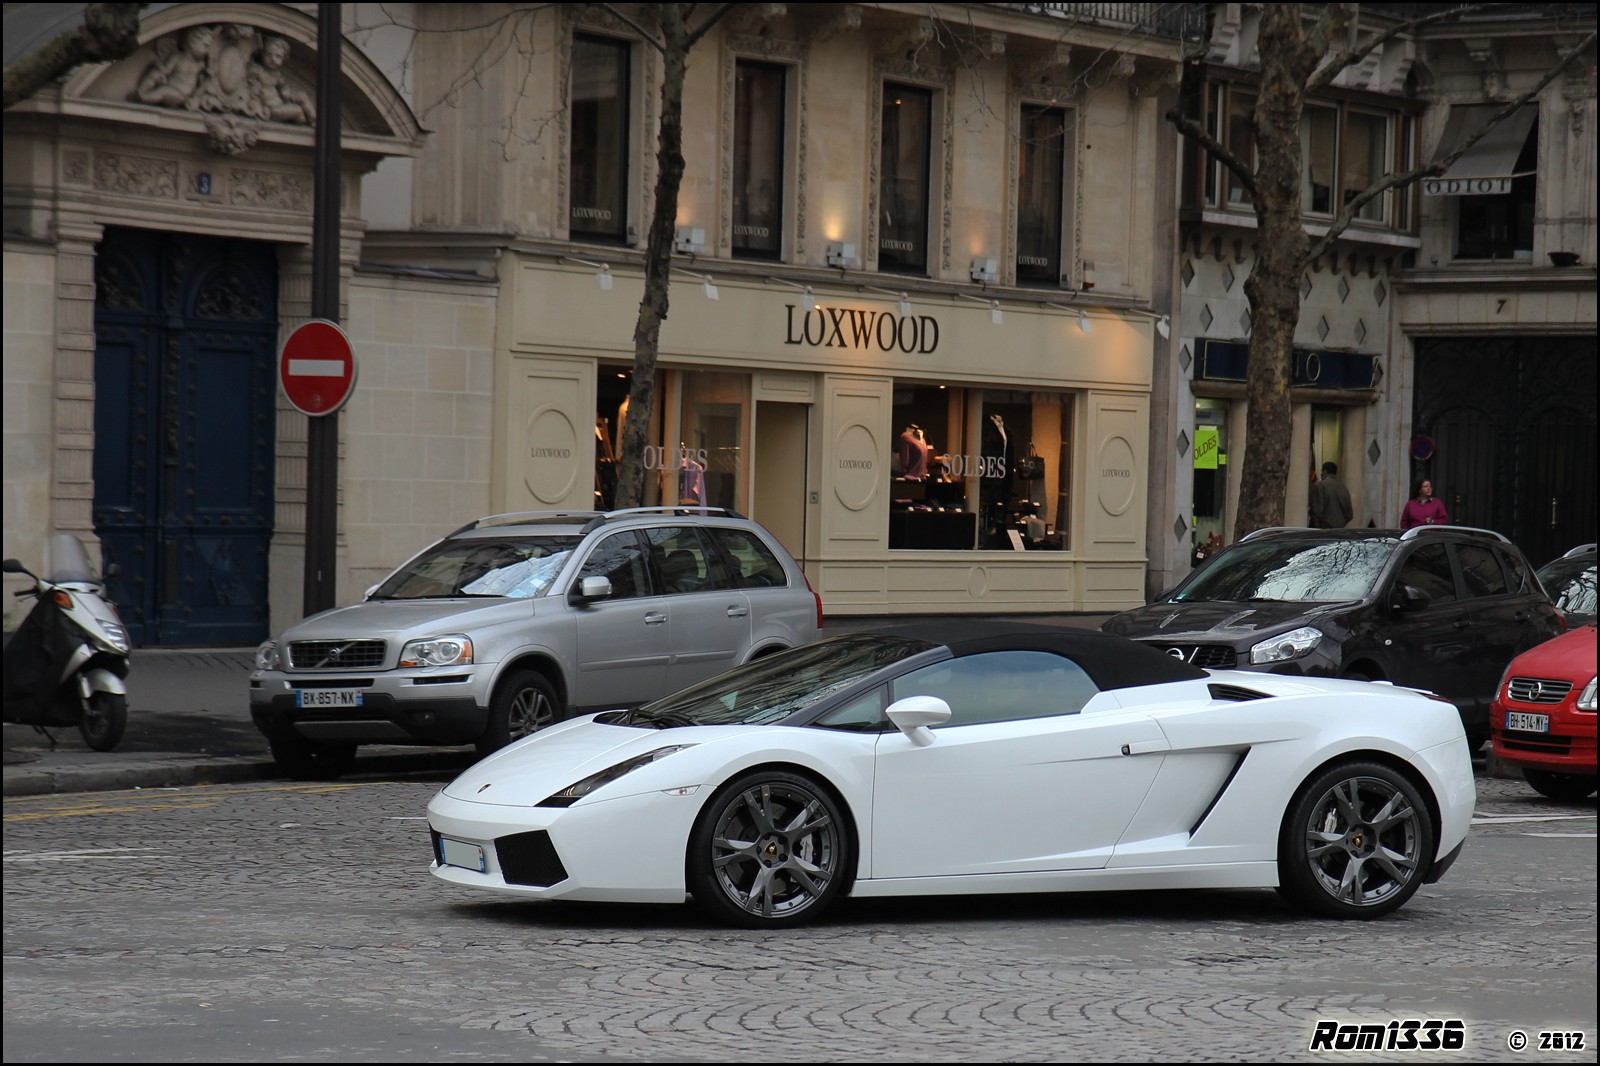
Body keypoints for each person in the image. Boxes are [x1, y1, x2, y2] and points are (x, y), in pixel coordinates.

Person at [1309, 461, 1353, 528]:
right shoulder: (1343, 488)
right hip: (1339, 531)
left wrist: (1317, 527)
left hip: (1323, 530)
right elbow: (1349, 514)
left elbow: (1317, 511)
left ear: (1325, 471)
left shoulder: (1320, 486)